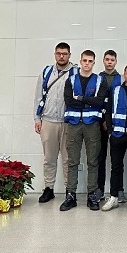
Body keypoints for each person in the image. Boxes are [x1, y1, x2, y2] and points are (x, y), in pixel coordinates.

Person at [61, 50, 109, 212]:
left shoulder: (100, 80)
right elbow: (69, 101)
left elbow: (99, 101)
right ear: (80, 61)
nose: (87, 63)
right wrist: (89, 102)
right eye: (85, 60)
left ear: (94, 63)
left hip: (92, 125)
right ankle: (70, 195)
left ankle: (91, 195)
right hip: (73, 124)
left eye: (90, 61)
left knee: (93, 161)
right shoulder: (71, 79)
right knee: (72, 161)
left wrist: (81, 99)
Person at [33, 42, 78, 203]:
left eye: (64, 54)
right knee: (49, 158)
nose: (61, 56)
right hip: (48, 121)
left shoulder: (76, 72)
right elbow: (38, 96)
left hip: (68, 122)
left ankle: (69, 190)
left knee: (68, 159)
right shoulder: (46, 72)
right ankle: (49, 188)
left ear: (69, 55)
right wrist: (37, 118)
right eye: (59, 53)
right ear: (54, 55)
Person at [100, 64, 127, 212]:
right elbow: (109, 111)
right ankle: (113, 197)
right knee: (116, 167)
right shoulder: (116, 90)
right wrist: (110, 131)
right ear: (124, 75)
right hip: (117, 135)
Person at [98, 50, 121, 202]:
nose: (109, 62)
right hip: (100, 122)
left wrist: (111, 121)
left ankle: (118, 190)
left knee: (116, 159)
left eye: (112, 60)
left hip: (116, 122)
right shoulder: (97, 78)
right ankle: (99, 189)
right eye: (107, 59)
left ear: (116, 61)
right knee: (100, 157)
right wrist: (103, 120)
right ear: (103, 61)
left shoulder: (121, 78)